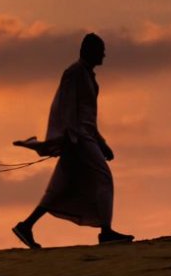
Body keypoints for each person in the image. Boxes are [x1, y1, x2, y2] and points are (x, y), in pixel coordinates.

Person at [12, 34, 132, 249]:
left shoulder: (88, 77)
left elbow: (89, 117)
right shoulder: (74, 73)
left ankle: (26, 226)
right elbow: (66, 107)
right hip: (78, 139)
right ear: (89, 50)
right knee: (104, 179)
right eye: (100, 49)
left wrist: (101, 142)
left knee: (60, 187)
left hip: (84, 138)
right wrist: (72, 137)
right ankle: (106, 232)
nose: (104, 54)